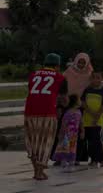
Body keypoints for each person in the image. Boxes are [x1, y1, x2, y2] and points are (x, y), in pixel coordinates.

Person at [23, 53, 67, 181]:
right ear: (57, 66)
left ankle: (36, 170)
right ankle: (39, 172)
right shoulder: (60, 78)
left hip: (30, 112)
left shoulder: (33, 75)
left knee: (33, 142)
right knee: (45, 142)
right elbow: (63, 99)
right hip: (47, 113)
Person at [80, 71, 103, 167]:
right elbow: (83, 103)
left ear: (102, 78)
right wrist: (90, 113)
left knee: (96, 139)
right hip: (87, 119)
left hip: (97, 120)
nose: (95, 80)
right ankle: (93, 159)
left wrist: (96, 116)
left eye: (98, 77)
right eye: (93, 77)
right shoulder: (87, 90)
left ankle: (102, 159)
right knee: (89, 140)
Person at [51, 94, 81, 166]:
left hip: (73, 134)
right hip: (67, 134)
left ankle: (70, 160)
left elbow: (80, 122)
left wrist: (82, 130)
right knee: (66, 147)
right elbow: (64, 124)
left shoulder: (78, 112)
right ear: (76, 102)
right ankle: (65, 160)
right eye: (79, 100)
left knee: (71, 147)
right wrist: (61, 133)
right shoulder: (69, 113)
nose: (80, 101)